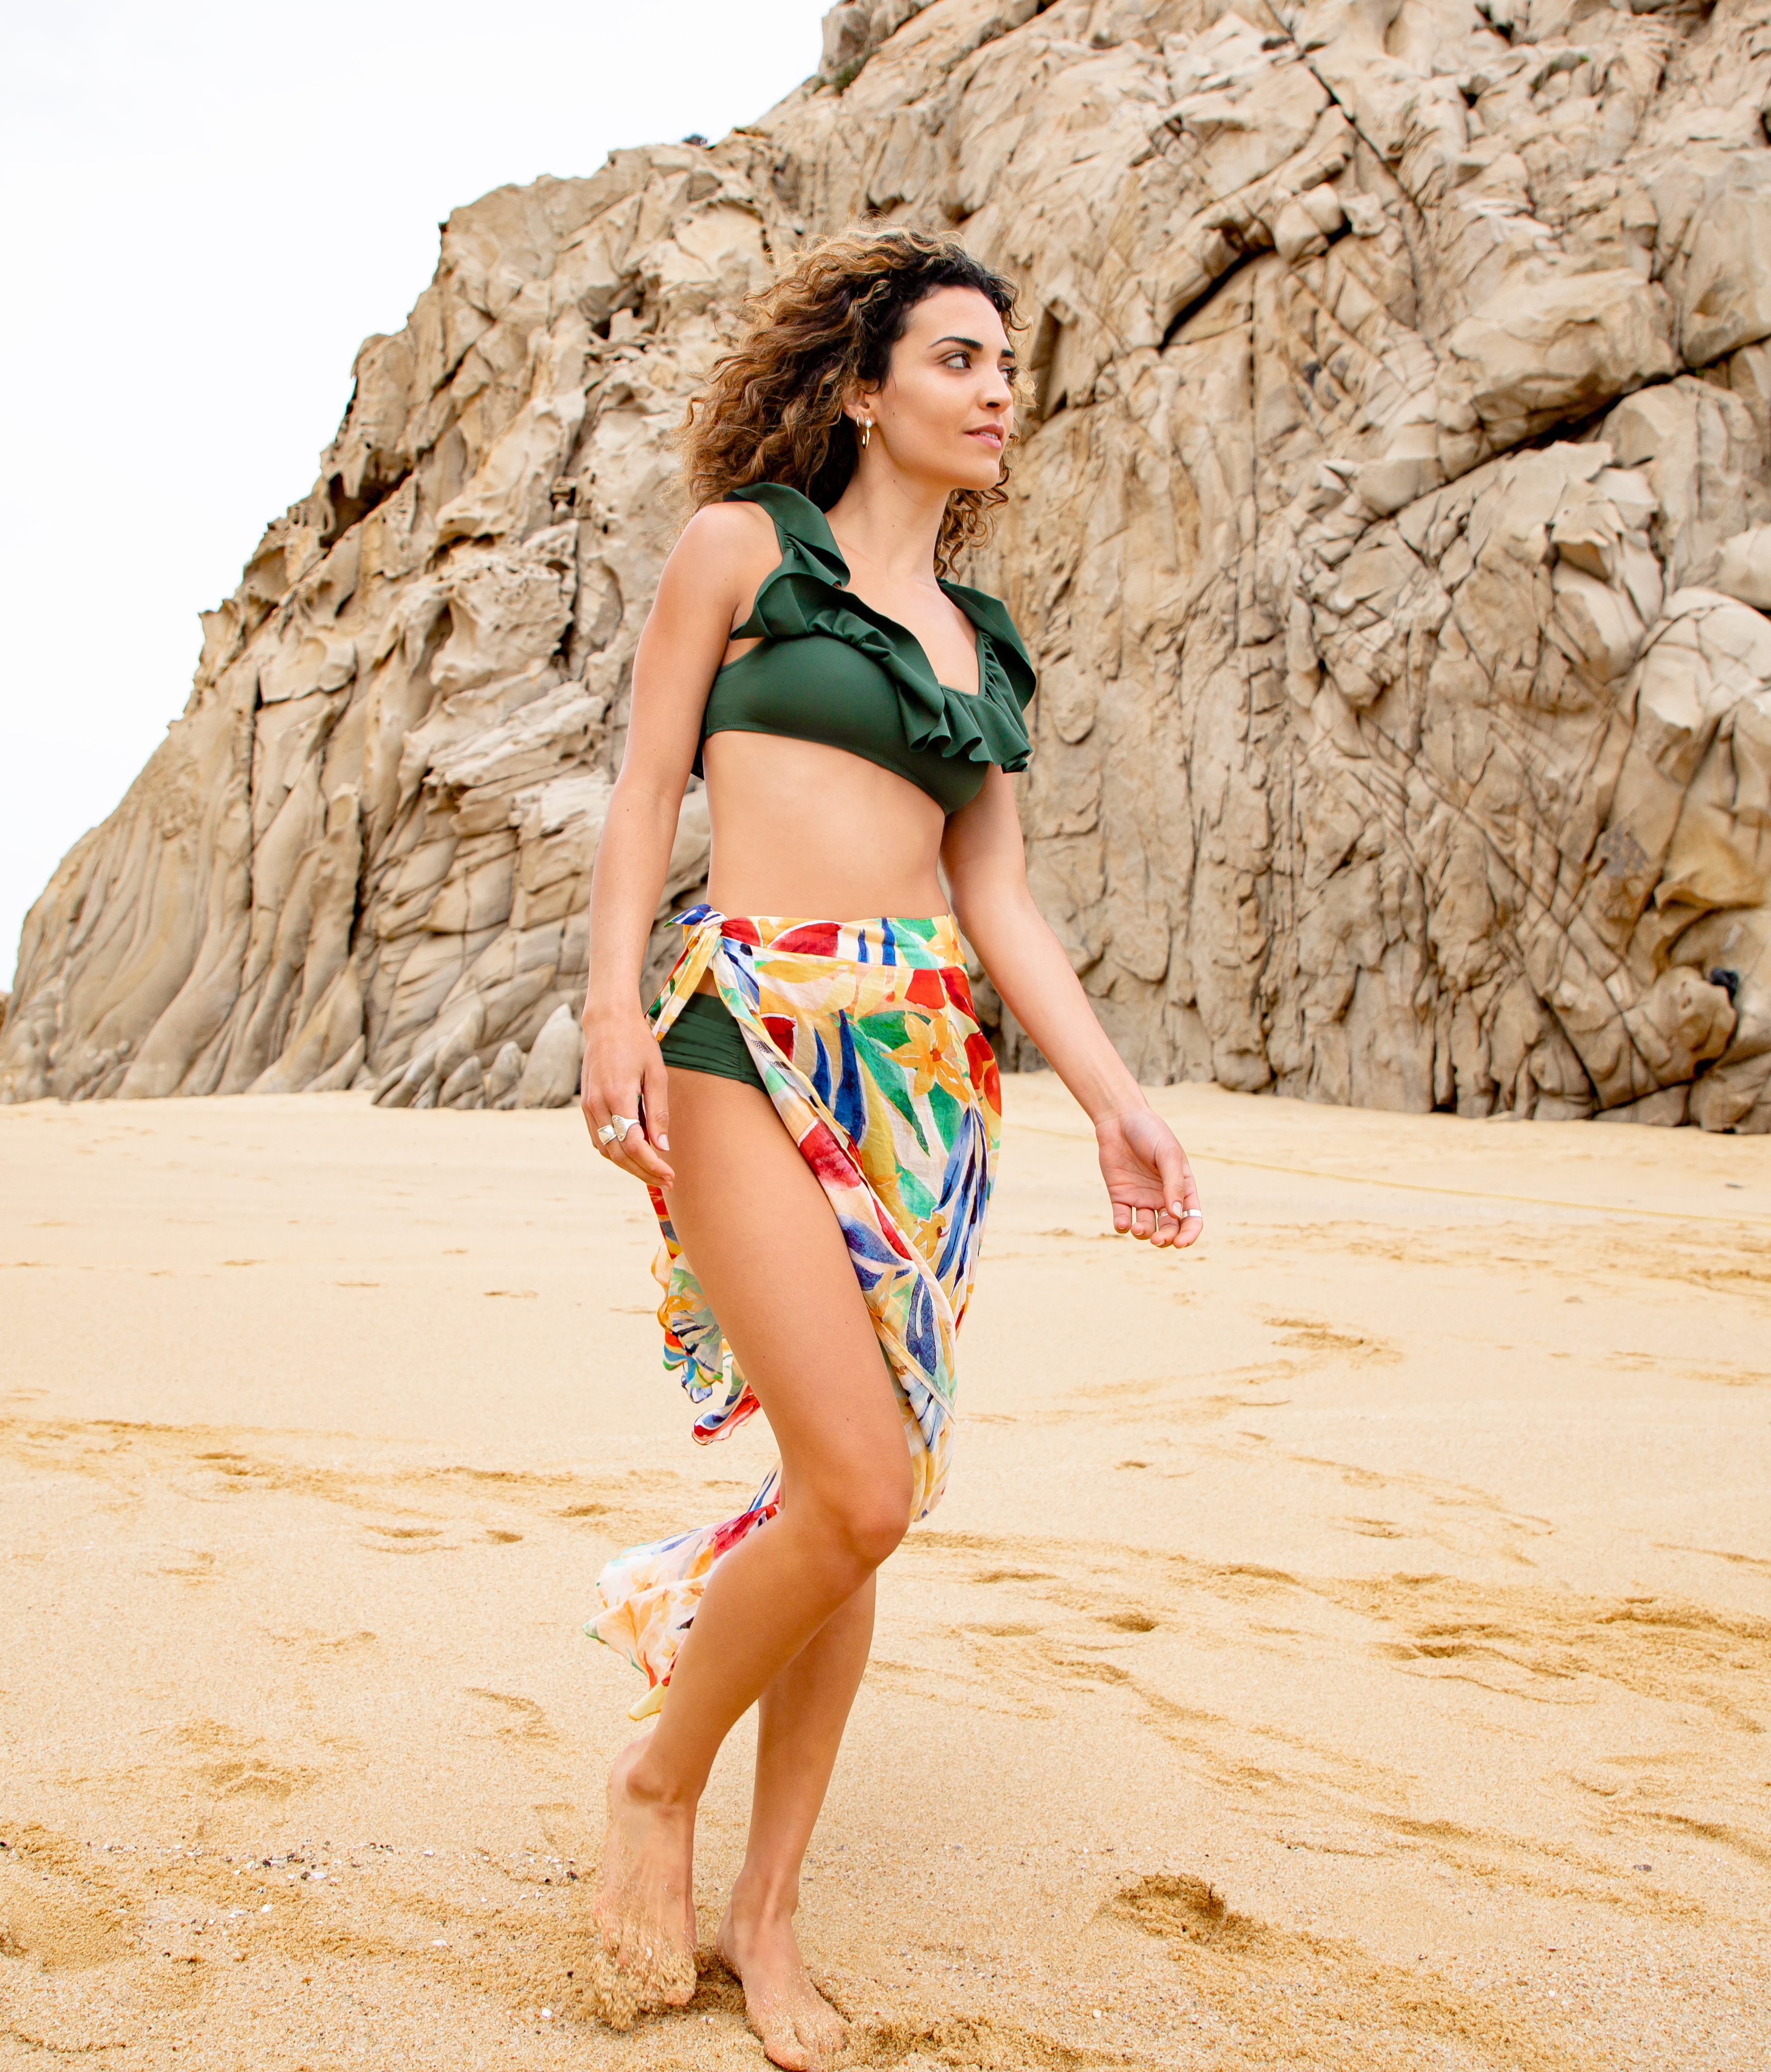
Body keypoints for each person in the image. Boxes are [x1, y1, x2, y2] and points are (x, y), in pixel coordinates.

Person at [572, 226, 1204, 2070]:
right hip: (751, 1029)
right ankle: (656, 1779)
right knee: (854, 1481)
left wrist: (1111, 1096)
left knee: (870, 1516)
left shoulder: (982, 641)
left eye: (1009, 366)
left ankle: (767, 1919)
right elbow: (643, 785)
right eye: (959, 360)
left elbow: (995, 891)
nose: (1000, 391)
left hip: (929, 1071)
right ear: (866, 387)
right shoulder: (742, 551)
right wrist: (614, 1004)